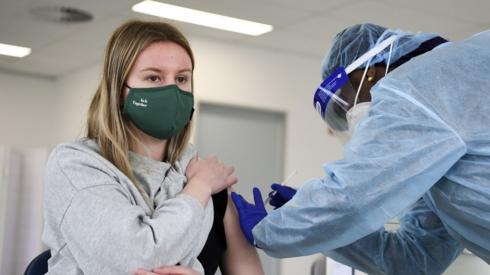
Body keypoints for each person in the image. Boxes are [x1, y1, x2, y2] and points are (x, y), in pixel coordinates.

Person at [231, 23, 490, 275]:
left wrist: (270, 230)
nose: (351, 115)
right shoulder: (438, 135)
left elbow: (351, 199)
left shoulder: (416, 86)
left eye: (346, 100)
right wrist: (314, 224)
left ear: (368, 73)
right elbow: (418, 258)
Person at [42, 20, 263, 275]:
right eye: (153, 77)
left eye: (181, 78)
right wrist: (199, 187)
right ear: (119, 89)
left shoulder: (208, 177)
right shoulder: (77, 166)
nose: (171, 90)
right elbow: (133, 261)